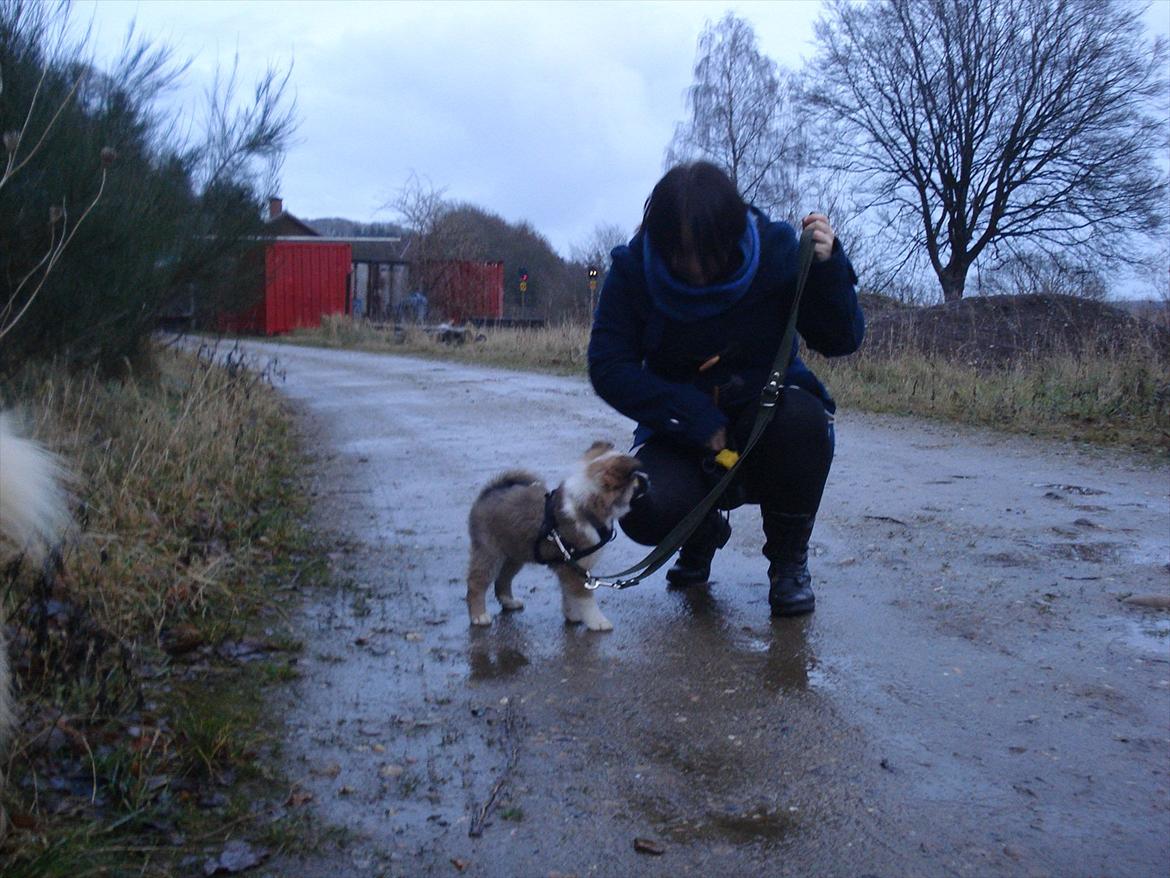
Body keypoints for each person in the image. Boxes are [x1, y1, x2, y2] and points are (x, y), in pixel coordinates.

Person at [587, 161, 864, 617]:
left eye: (707, 255)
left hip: (768, 417)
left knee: (806, 421)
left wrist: (829, 269)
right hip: (681, 434)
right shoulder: (633, 269)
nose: (693, 269)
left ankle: (788, 562)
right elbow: (608, 366)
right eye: (679, 254)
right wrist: (690, 416)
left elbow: (841, 340)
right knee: (642, 506)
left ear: (732, 236)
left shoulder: (776, 250)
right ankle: (700, 532)